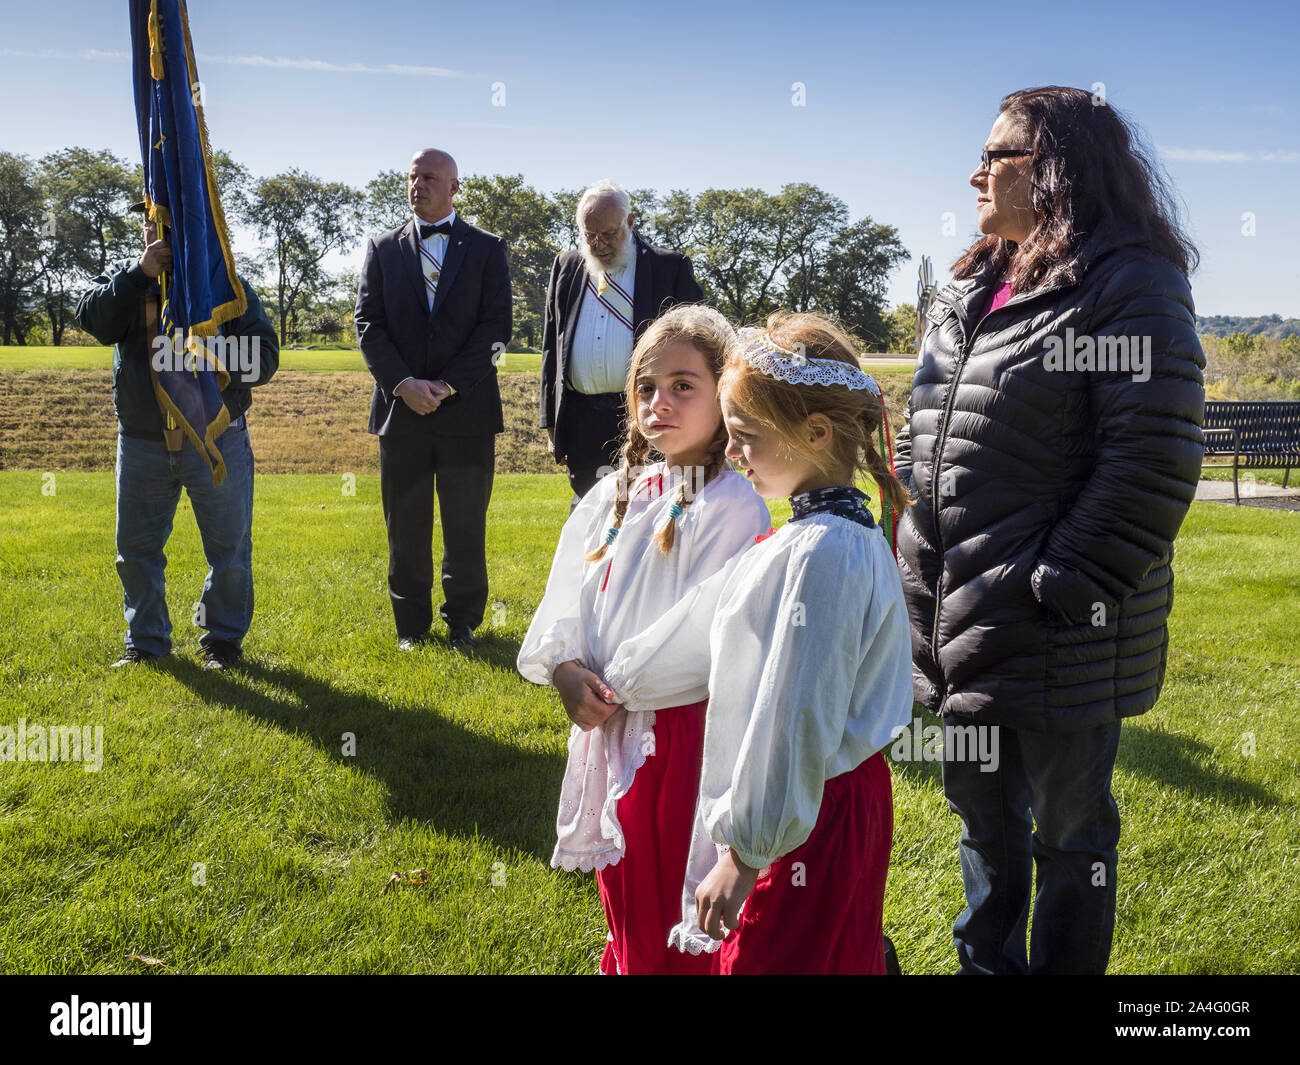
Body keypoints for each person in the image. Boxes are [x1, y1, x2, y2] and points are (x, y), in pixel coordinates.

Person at [893, 86, 1205, 974]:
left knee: (1070, 837)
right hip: (958, 618)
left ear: (1059, 168)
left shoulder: (1131, 281)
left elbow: (1152, 462)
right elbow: (931, 438)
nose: (976, 173)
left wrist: (1057, 586)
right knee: (984, 825)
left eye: (998, 156)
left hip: (1061, 629)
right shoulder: (968, 284)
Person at [596, 314, 915, 974]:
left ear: (815, 433)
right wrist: (619, 676)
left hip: (807, 814)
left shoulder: (826, 554)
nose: (733, 453)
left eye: (745, 437)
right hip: (804, 805)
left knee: (775, 959)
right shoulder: (813, 537)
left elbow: (796, 715)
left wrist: (742, 855)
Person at [517, 305, 770, 975]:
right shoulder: (612, 495)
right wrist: (567, 670)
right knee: (626, 893)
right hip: (607, 726)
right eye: (648, 387)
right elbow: (566, 595)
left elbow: (701, 628)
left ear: (725, 393)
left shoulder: (732, 505)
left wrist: (619, 681)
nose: (661, 401)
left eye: (684, 384)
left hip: (681, 736)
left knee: (673, 897)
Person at [75, 200, 278, 671]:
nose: (157, 229)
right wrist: (139, 273)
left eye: (166, 219)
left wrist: (203, 350)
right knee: (137, 551)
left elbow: (264, 360)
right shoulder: (124, 282)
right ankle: (145, 643)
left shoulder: (225, 285)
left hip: (215, 439)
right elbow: (94, 322)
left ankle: (223, 642)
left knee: (229, 549)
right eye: (151, 220)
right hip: (143, 441)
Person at [355, 149, 512, 654]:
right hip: (401, 415)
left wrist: (445, 386)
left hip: (466, 413)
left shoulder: (488, 249)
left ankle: (462, 623)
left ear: (454, 188)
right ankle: (411, 628)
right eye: (412, 177)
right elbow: (368, 326)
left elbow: (495, 329)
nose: (417, 185)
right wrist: (403, 384)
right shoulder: (381, 250)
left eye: (428, 178)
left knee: (466, 525)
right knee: (406, 526)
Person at [539, 180, 703, 502]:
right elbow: (551, 348)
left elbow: (700, 349)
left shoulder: (669, 268)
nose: (598, 243)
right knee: (587, 522)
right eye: (589, 235)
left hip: (647, 415)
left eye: (608, 234)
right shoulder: (567, 266)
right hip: (582, 421)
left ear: (629, 223)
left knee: (646, 513)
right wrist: (550, 421)